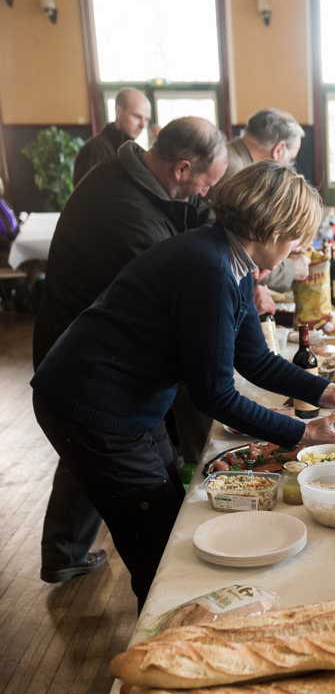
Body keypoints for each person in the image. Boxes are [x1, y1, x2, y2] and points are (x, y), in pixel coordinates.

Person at [31, 162, 335, 610]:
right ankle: (164, 648)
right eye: (296, 236)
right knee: (154, 547)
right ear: (272, 228)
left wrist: (328, 392)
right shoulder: (208, 269)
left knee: (168, 522)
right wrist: (304, 434)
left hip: (125, 400)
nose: (299, 247)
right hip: (92, 404)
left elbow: (255, 359)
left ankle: (173, 629)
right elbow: (215, 395)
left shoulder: (228, 260)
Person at [34, 117, 229, 585]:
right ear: (183, 168)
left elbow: (192, 216)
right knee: (106, 461)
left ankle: (64, 550)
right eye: (206, 183)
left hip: (100, 372)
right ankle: (69, 552)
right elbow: (178, 298)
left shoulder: (145, 181)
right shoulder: (124, 210)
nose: (205, 194)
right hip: (85, 361)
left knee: (95, 458)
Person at [217, 107, 308, 301]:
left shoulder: (232, 153)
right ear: (279, 150)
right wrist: (291, 270)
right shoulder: (238, 173)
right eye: (290, 159)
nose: (289, 166)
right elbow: (243, 247)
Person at [73, 88, 151, 184]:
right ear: (118, 112)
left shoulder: (132, 151)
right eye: (137, 116)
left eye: (147, 119)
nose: (143, 125)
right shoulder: (96, 149)